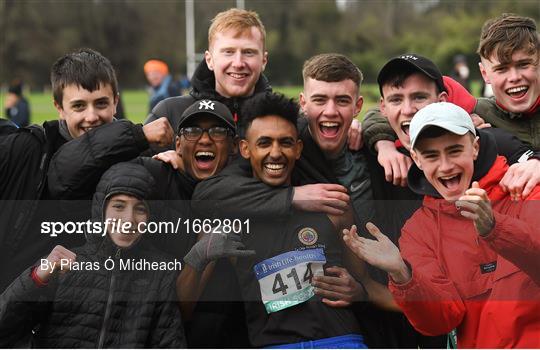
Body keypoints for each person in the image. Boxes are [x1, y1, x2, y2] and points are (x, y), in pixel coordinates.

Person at [343, 102, 540, 348]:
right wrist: (402, 275)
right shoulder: (418, 231)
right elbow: (440, 321)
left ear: (475, 148)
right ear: (416, 159)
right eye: (431, 155)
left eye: (455, 150)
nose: (445, 166)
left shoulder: (526, 190)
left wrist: (495, 228)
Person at [193, 92, 371, 348]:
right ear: (245, 148)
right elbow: (186, 301)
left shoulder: (331, 204)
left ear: (298, 148)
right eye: (264, 143)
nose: (275, 153)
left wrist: (358, 291)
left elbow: (364, 283)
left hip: (341, 341)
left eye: (285, 143)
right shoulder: (227, 218)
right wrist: (199, 256)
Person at [0, 48, 173, 292]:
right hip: (18, 299)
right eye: (79, 106)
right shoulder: (28, 148)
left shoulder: (140, 157)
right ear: (58, 107)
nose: (91, 116)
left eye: (101, 103)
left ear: (116, 101)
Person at [0, 162, 186, 347]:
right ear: (101, 211)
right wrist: (36, 278)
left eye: (140, 209)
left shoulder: (160, 273)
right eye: (119, 206)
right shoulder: (65, 263)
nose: (129, 219)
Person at [144, 8, 271, 138]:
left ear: (264, 61)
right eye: (228, 52)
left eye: (248, 52)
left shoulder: (283, 118)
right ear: (209, 60)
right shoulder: (170, 114)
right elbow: (125, 157)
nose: (238, 63)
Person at [476, 13, 540, 149]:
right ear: (485, 73)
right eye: (502, 69)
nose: (514, 77)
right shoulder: (475, 116)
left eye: (523, 64)